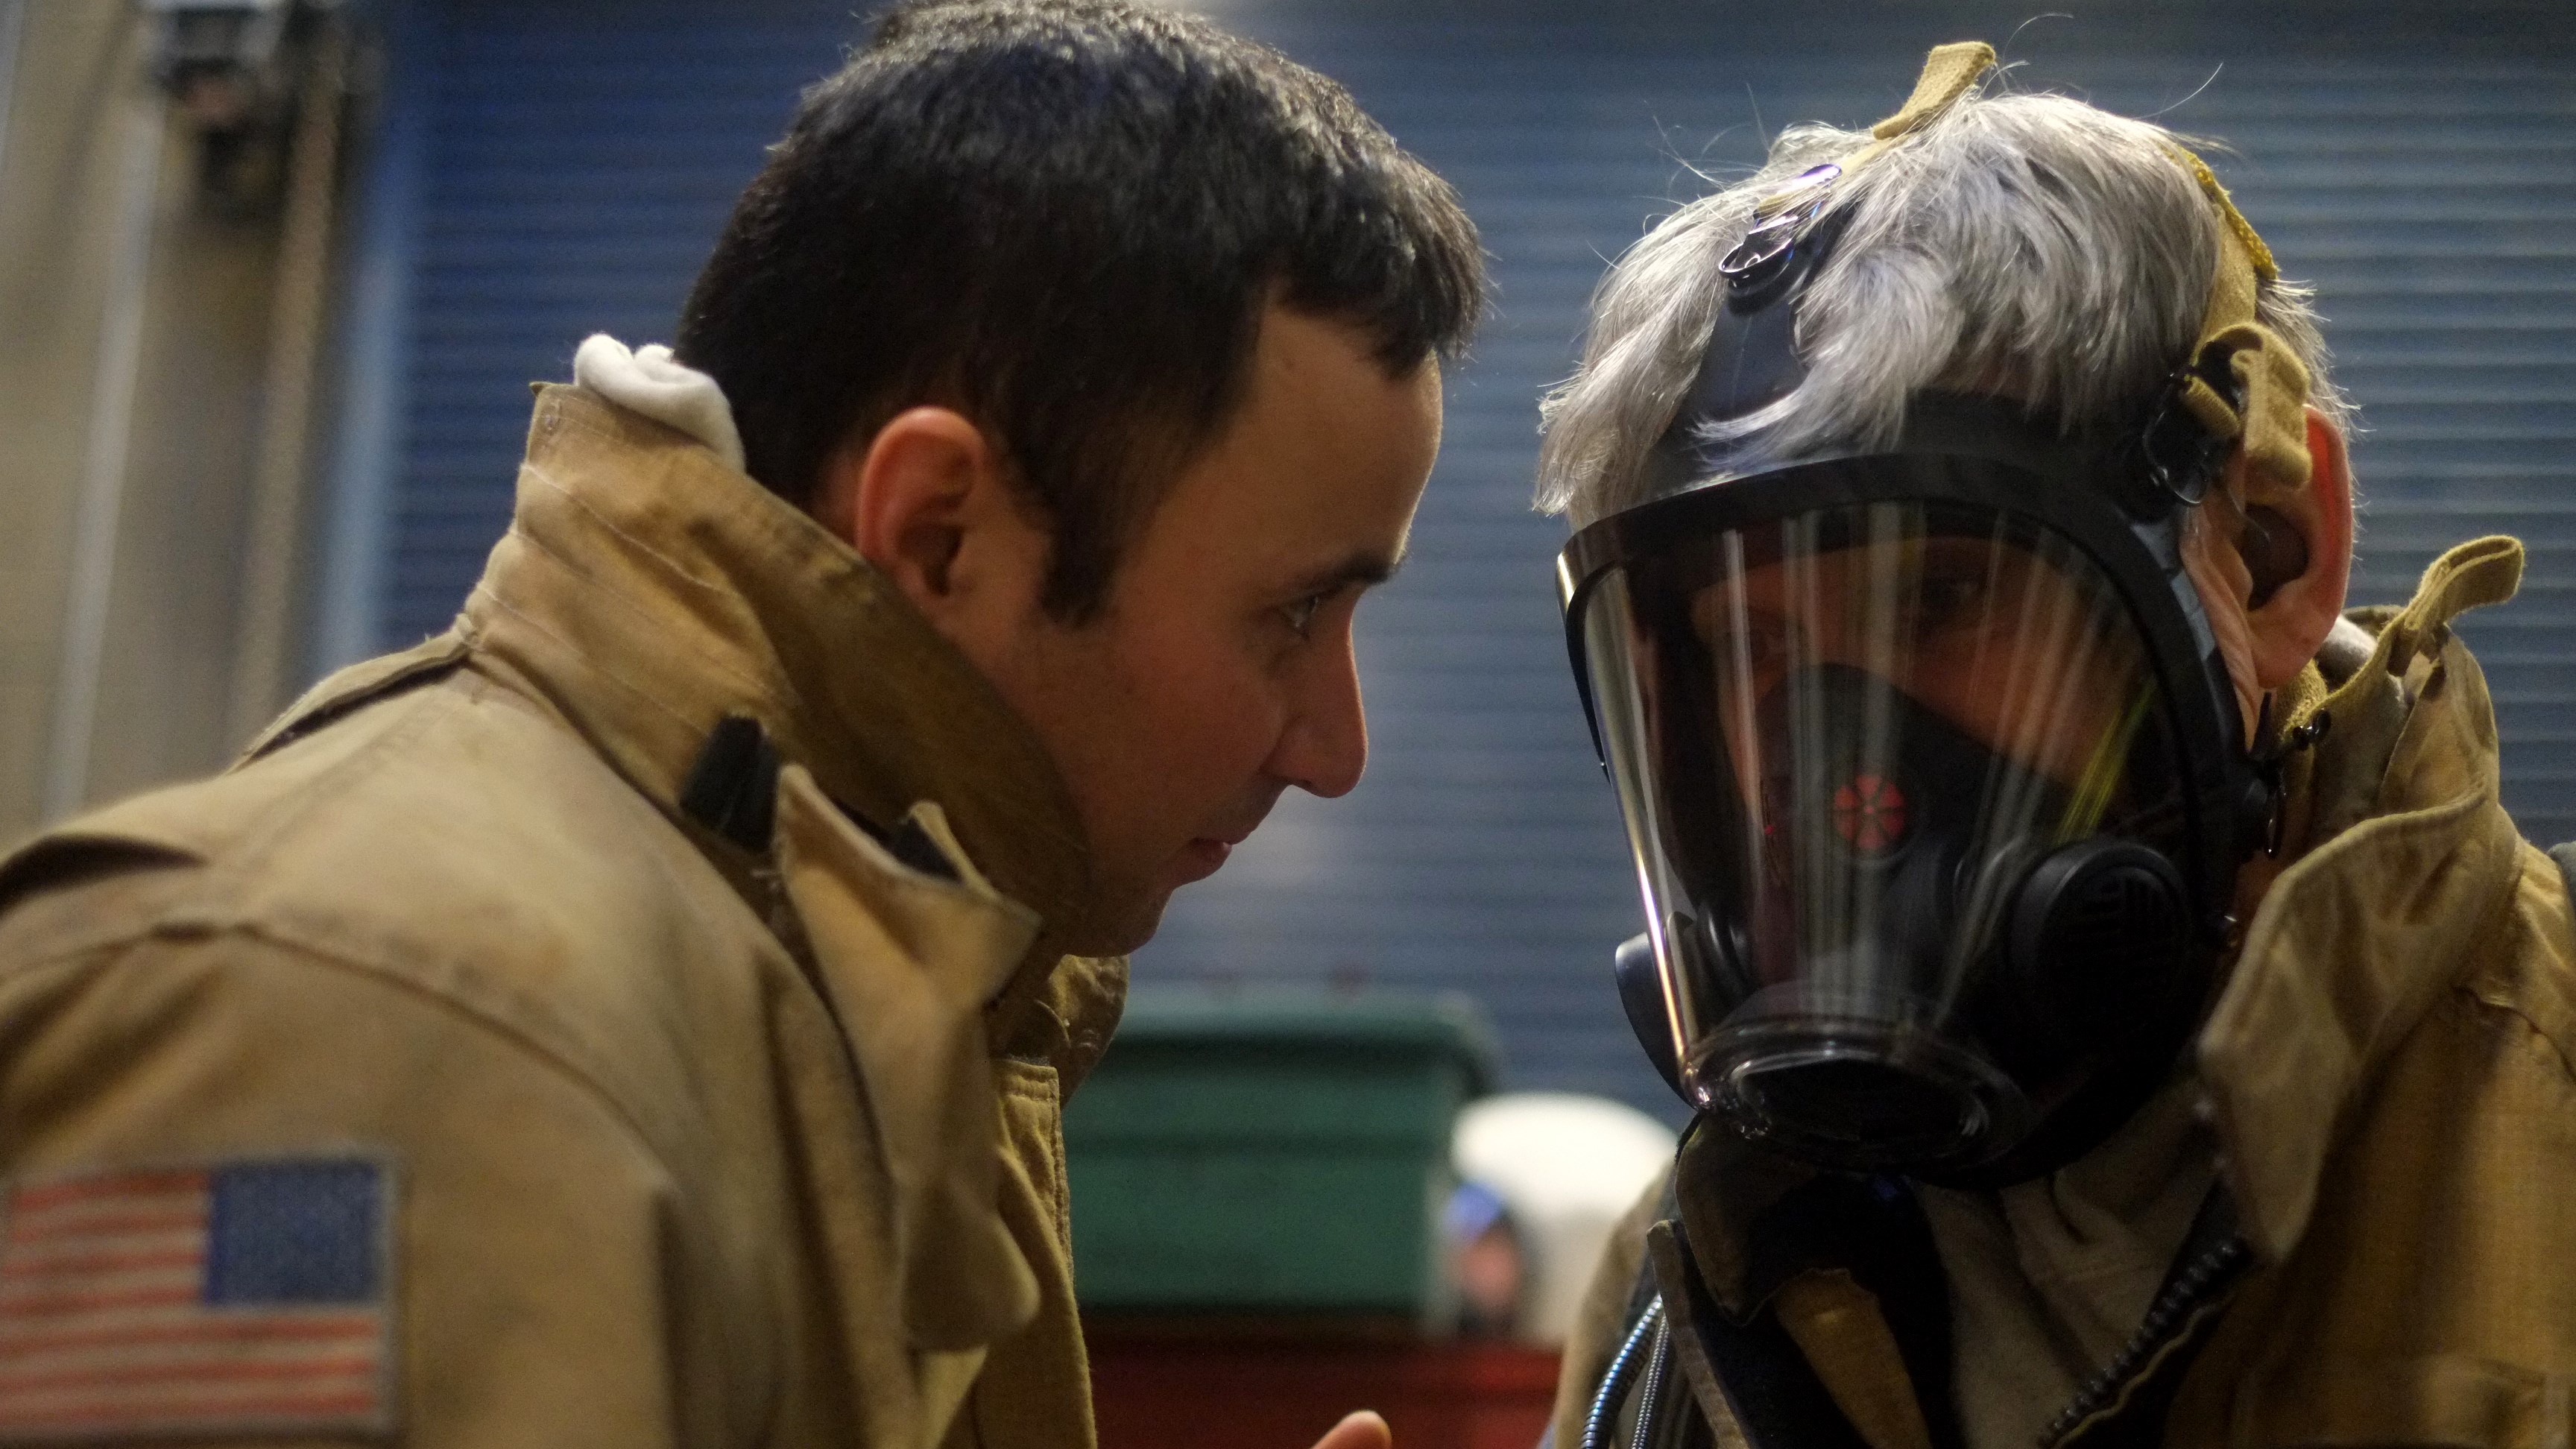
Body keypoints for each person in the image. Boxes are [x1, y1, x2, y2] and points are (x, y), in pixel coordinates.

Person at [0, 3, 1483, 1445]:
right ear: (942, 534)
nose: (1332, 748)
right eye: (1293, 613)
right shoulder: (349, 1020)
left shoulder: (882, 972)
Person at [1538, 42, 2576, 1449]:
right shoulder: (1704, 1267)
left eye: (1949, 598)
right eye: (1755, 648)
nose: (1851, 786)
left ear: (2276, 559)